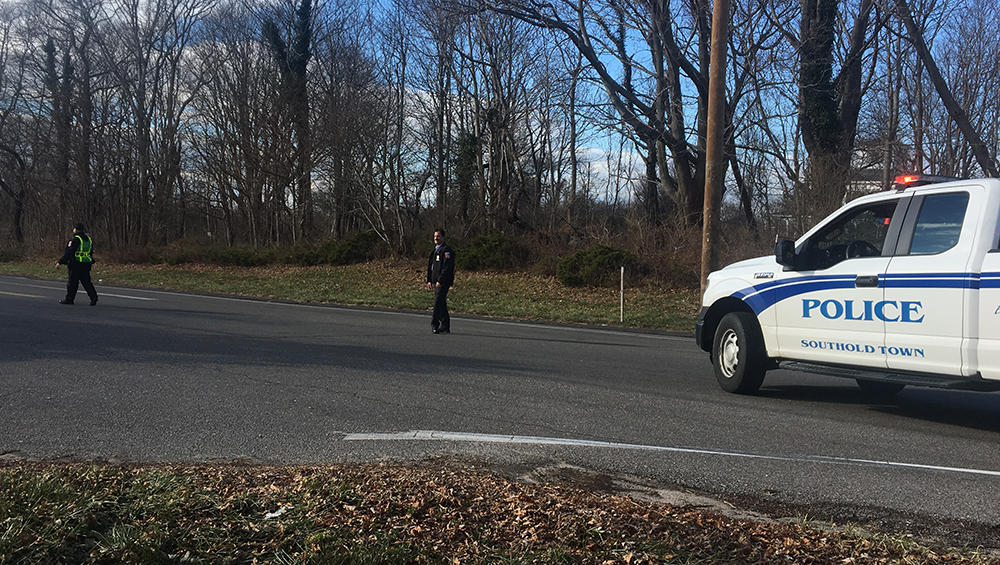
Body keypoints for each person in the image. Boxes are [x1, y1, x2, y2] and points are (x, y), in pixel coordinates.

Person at [55, 222, 99, 306]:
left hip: (76, 264)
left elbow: (69, 252)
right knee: (86, 282)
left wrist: (60, 262)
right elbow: (90, 252)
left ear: (76, 230)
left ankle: (69, 299)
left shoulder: (75, 239)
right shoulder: (88, 239)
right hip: (86, 263)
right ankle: (93, 297)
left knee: (72, 283)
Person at [426, 228, 454, 334]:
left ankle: (435, 324)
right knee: (441, 303)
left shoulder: (446, 251)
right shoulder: (434, 251)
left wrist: (440, 281)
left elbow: (447, 268)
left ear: (443, 237)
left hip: (442, 282)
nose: (436, 238)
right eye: (434, 236)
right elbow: (431, 267)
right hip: (435, 281)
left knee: (437, 303)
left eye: (438, 236)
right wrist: (429, 280)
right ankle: (445, 325)